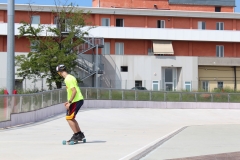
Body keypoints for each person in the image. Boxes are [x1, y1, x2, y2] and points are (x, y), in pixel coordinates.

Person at [56, 64, 85, 142]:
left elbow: (74, 91)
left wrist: (69, 102)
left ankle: (76, 135)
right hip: (78, 100)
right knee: (71, 118)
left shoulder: (67, 79)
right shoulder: (71, 77)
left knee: (69, 118)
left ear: (59, 72)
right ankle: (79, 134)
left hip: (76, 100)